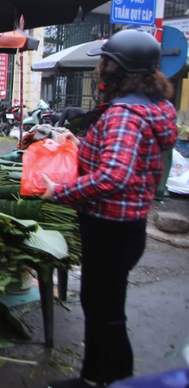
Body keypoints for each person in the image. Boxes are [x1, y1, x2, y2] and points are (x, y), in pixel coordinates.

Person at [41, 30, 178, 388]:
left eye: (105, 61)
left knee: (105, 308)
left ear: (119, 67)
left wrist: (60, 191)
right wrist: (80, 142)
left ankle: (115, 377)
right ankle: (94, 377)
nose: (100, 67)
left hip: (111, 227)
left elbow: (114, 175)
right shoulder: (153, 107)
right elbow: (119, 158)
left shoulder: (124, 114)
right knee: (101, 302)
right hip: (127, 226)